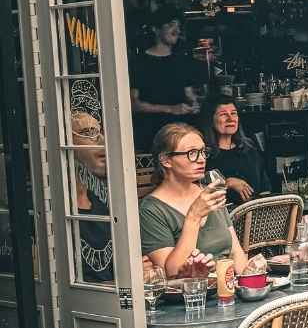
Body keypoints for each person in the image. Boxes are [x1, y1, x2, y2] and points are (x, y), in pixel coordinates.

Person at [139, 122, 258, 278]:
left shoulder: (209, 193)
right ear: (166, 160)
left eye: (203, 152)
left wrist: (251, 279)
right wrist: (194, 216)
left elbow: (236, 252)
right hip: (192, 296)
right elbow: (170, 274)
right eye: (192, 153)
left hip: (228, 288)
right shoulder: (151, 209)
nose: (201, 159)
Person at [131, 12, 198, 151]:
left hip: (180, 132)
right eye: (171, 25)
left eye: (178, 26)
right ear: (156, 29)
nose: (177, 30)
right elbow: (133, 104)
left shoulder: (182, 61)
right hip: (149, 133)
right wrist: (171, 109)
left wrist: (194, 105)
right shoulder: (139, 62)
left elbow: (189, 94)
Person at [199, 95, 272, 207]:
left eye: (234, 113)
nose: (231, 119)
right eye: (223, 114)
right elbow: (198, 191)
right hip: (221, 220)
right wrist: (227, 183)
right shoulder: (203, 155)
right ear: (210, 120)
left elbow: (265, 188)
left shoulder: (249, 149)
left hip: (256, 217)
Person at [72, 109, 114, 282]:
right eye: (89, 133)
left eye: (101, 132)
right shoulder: (49, 211)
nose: (102, 141)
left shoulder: (101, 202)